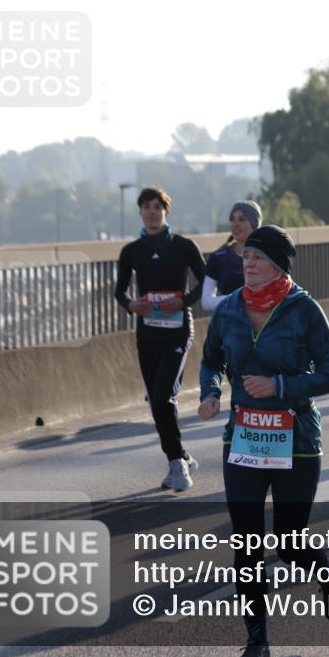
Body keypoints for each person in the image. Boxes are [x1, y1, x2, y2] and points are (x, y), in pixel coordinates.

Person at [198, 225, 329, 657]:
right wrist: (210, 392)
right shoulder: (228, 310)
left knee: (288, 541)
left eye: (259, 257)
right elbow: (211, 360)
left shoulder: (303, 309)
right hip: (243, 437)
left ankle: (326, 568)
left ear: (279, 264)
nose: (248, 263)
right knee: (247, 544)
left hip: (297, 438)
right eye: (246, 256)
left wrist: (279, 384)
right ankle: (257, 640)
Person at [115, 186, 206, 492]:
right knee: (158, 400)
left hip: (179, 331)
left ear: (167, 211)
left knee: (161, 396)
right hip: (147, 332)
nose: (152, 211)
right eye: (146, 207)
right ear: (140, 212)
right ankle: (179, 456)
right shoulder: (131, 252)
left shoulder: (183, 246)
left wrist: (184, 302)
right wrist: (131, 305)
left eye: (157, 206)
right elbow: (119, 290)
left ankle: (177, 466)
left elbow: (207, 282)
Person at [202, 201, 261, 312]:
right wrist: (236, 300)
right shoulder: (218, 257)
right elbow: (206, 302)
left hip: (262, 327)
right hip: (228, 326)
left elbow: (282, 291)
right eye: (232, 219)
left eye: (242, 219)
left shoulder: (269, 256)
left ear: (255, 224)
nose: (235, 224)